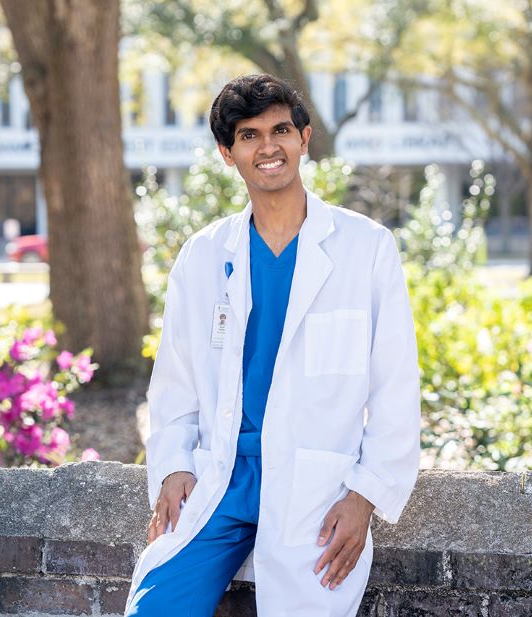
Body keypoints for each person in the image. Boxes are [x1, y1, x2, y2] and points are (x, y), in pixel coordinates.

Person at [126, 74, 420, 617]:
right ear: (227, 153)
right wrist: (170, 466)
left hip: (315, 486)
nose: (268, 147)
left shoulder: (366, 248)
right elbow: (175, 377)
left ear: (304, 138)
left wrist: (364, 497)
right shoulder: (205, 254)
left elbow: (395, 386)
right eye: (248, 135)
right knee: (155, 607)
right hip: (222, 478)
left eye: (280, 129)